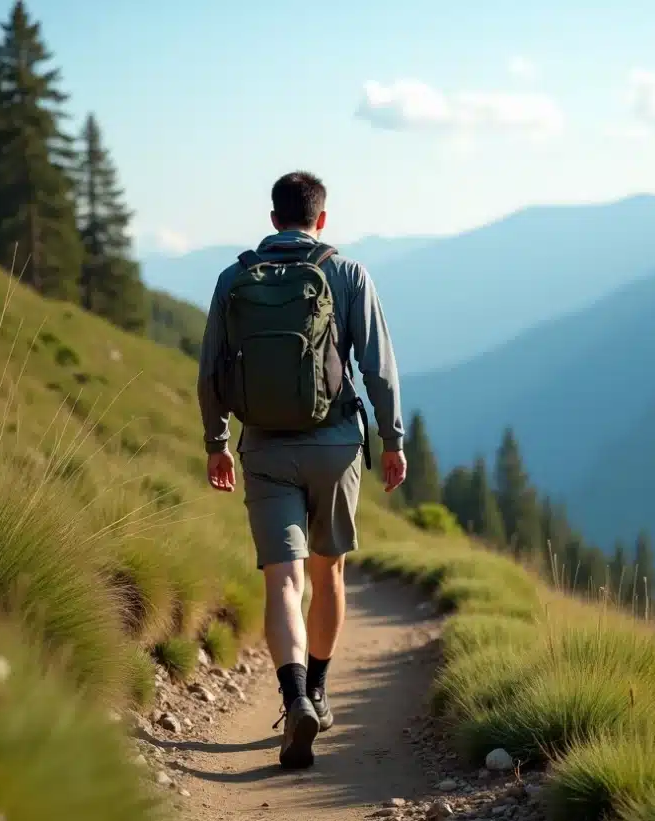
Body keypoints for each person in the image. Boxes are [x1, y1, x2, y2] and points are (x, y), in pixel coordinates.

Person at [196, 170, 407, 770]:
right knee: (327, 571)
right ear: (321, 219)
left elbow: (210, 372)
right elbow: (380, 369)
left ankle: (292, 701)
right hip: (336, 446)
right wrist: (392, 439)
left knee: (282, 580)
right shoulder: (346, 273)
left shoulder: (234, 278)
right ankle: (317, 689)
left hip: (263, 447)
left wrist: (217, 444)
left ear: (272, 220)